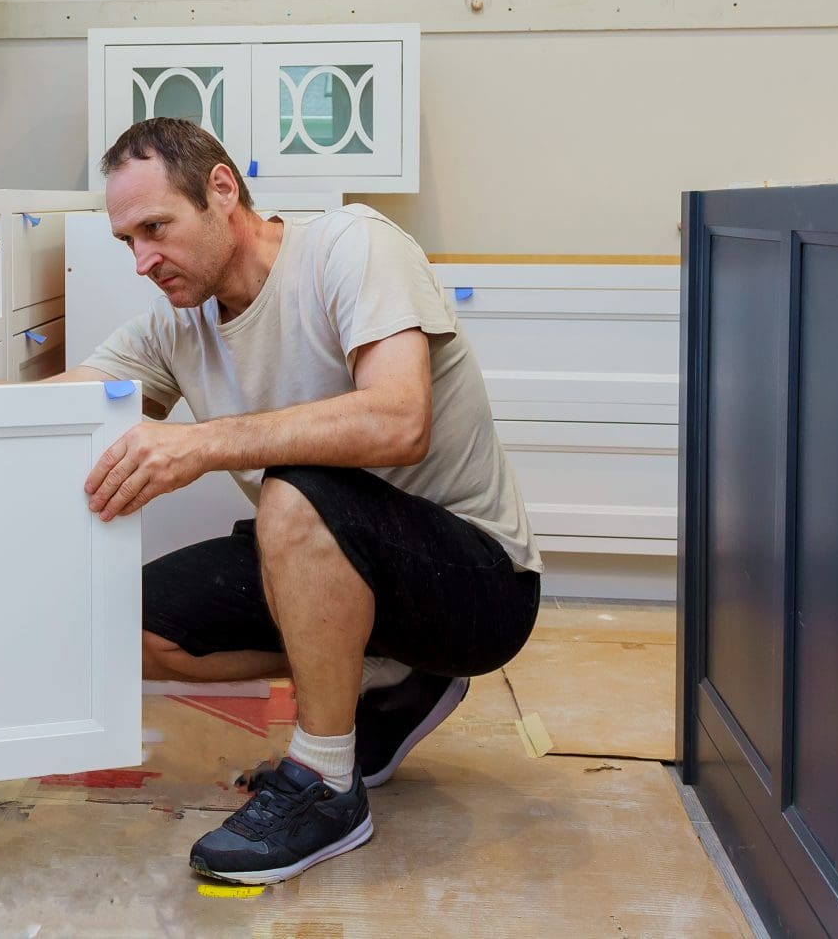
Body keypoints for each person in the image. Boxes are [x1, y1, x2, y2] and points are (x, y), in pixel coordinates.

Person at [52, 117, 542, 886]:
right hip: (329, 552)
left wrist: (204, 442)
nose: (144, 260)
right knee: (130, 630)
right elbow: (56, 408)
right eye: (128, 243)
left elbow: (397, 418)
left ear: (222, 190)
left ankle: (326, 784)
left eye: (156, 228)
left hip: (478, 584)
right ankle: (389, 675)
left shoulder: (351, 248)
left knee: (293, 490)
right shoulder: (176, 329)